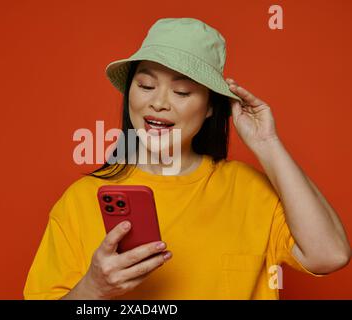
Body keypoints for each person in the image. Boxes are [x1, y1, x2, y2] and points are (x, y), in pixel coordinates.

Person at [23, 17, 350, 300]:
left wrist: (267, 142)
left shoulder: (248, 189)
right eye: (146, 85)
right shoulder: (80, 200)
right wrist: (93, 288)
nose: (159, 103)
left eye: (182, 92)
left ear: (210, 107)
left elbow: (331, 254)